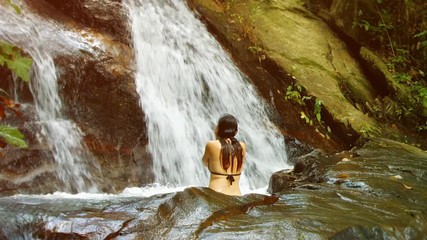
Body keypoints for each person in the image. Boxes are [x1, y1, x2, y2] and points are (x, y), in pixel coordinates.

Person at [202, 114, 246, 196]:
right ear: (235, 130)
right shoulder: (242, 146)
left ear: (218, 129)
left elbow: (204, 163)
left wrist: (217, 137)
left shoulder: (211, 145)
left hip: (216, 194)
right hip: (237, 195)